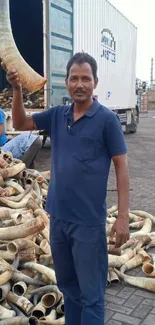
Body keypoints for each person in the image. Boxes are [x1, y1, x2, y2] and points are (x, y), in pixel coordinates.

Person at [2, 52, 130, 325]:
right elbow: (23, 122)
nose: (80, 84)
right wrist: (17, 89)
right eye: (74, 78)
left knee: (92, 297)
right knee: (69, 292)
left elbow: (122, 168)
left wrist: (122, 217)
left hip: (88, 226)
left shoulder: (107, 121)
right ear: (67, 82)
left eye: (86, 78)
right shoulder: (58, 115)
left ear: (95, 82)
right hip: (58, 221)